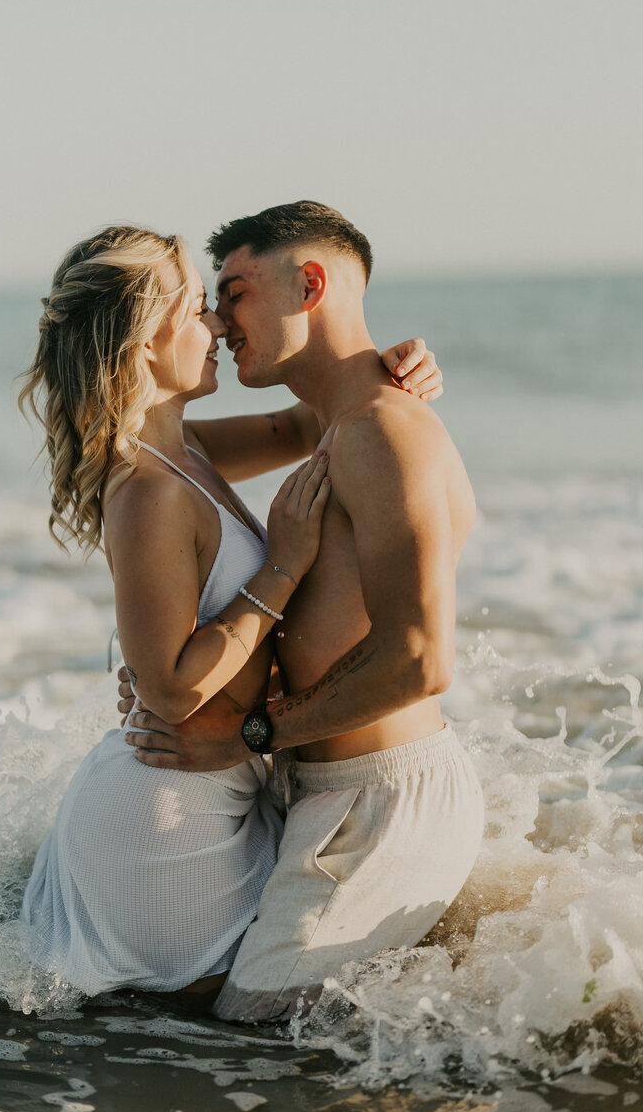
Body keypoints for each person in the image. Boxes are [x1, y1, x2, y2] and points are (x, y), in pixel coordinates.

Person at [17, 223, 441, 1002]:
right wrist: (280, 566)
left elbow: (313, 422)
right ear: (146, 341)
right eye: (197, 309)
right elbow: (176, 691)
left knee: (223, 1043)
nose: (217, 325)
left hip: (214, 794)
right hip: (168, 824)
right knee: (211, 1051)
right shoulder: (147, 490)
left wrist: (397, 364)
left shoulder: (186, 451)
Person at [122, 201, 485, 1022]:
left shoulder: (382, 433)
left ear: (310, 284)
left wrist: (247, 732)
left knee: (255, 1042)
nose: (218, 317)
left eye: (236, 291)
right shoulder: (336, 426)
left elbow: (422, 658)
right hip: (315, 788)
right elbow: (164, 455)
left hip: (378, 801)